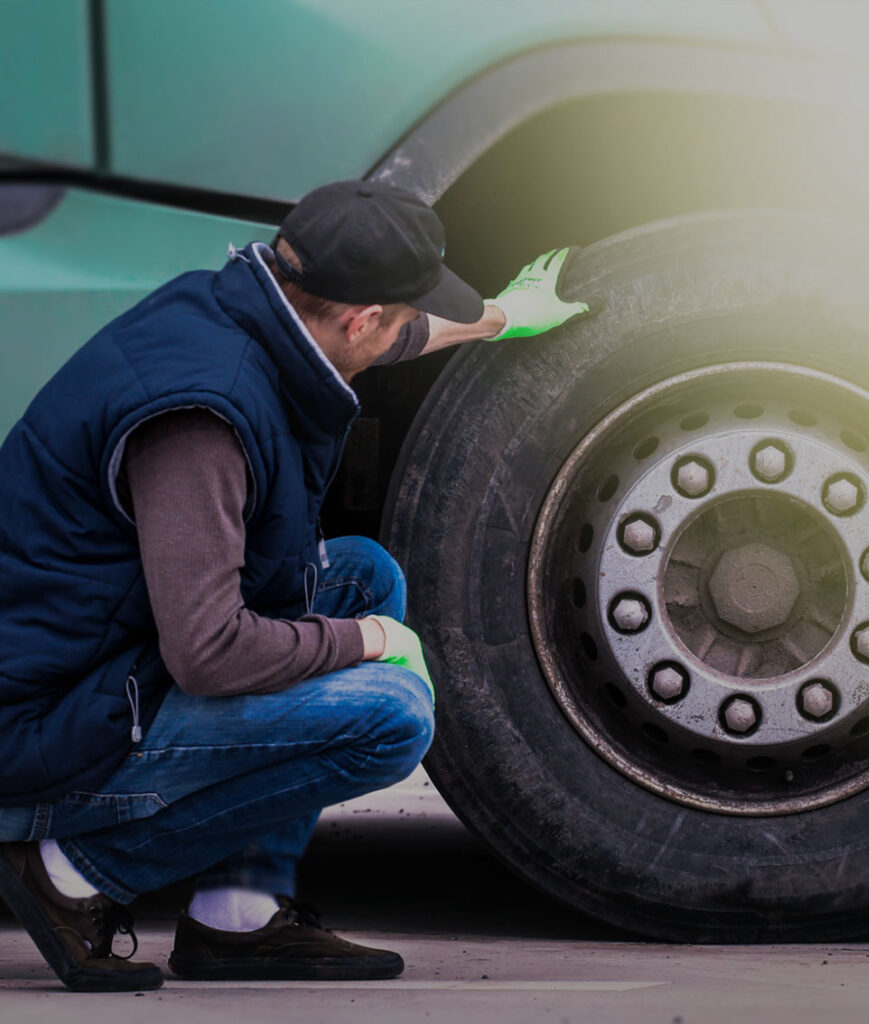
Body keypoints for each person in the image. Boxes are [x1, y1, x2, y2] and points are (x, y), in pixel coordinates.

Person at [0, 180, 594, 991]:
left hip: (93, 657)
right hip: (40, 731)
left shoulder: (236, 307)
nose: (392, 337)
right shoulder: (201, 421)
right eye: (387, 320)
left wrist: (496, 317)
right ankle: (72, 873)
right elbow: (208, 652)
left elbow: (393, 333)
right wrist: (373, 643)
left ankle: (236, 916)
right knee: (390, 717)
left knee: (361, 575)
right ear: (356, 318)